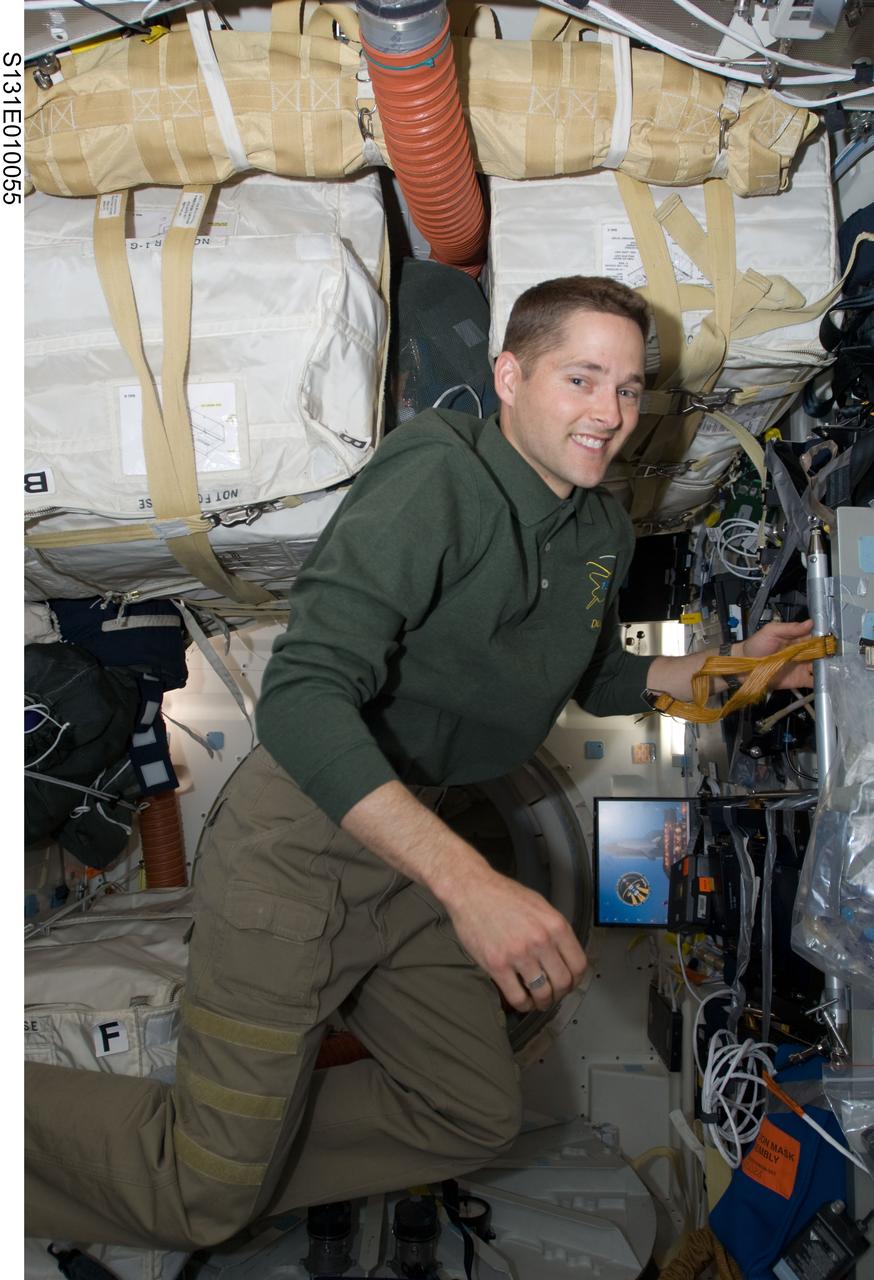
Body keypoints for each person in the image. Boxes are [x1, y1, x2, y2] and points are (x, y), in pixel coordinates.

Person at [25, 276, 814, 1251]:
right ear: (510, 374)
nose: (609, 413)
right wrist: (470, 883)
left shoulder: (599, 528)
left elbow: (590, 666)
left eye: (627, 386)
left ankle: (234, 1151)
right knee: (201, 1200)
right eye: (582, 377)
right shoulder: (436, 477)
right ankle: (194, 1167)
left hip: (413, 838)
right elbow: (306, 700)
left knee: (470, 1113)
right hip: (306, 840)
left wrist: (704, 670)